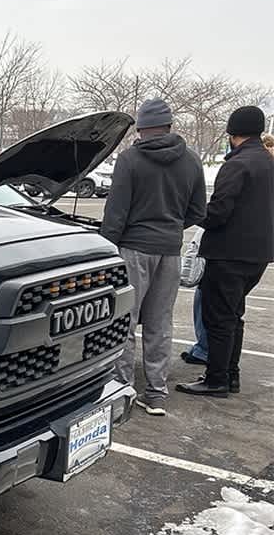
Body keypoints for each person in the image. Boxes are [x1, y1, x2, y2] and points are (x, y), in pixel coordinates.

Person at [100, 98, 207, 416]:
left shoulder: (130, 160)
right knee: (160, 323)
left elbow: (116, 214)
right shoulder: (192, 160)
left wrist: (107, 250)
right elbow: (198, 211)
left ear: (142, 128)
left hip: (133, 250)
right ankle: (157, 393)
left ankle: (123, 389)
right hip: (170, 252)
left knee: (124, 321)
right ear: (169, 126)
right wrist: (171, 228)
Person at [177, 107, 274, 397]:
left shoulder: (237, 165)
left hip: (228, 254)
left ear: (232, 133)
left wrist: (192, 212)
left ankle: (216, 379)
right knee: (234, 315)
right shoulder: (268, 162)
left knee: (218, 318)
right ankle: (231, 375)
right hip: (258, 255)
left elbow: (218, 213)